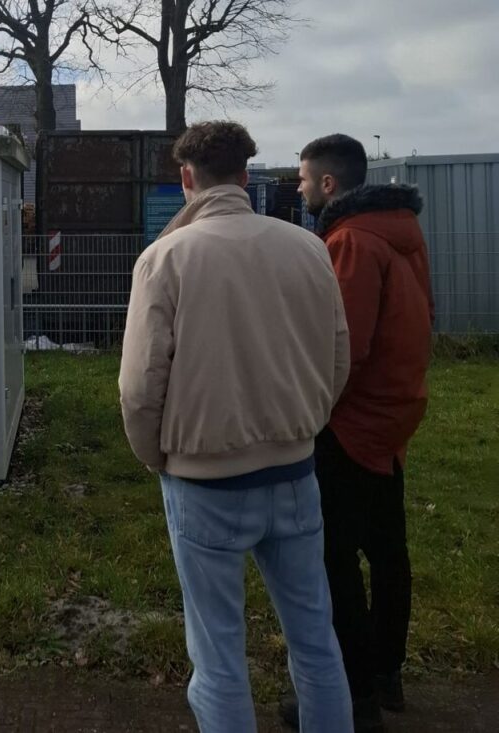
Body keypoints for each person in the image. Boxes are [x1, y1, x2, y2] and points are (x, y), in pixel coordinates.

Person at [119, 121, 353, 733]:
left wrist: (157, 456)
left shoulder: (165, 258)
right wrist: (304, 426)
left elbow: (141, 384)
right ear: (246, 176)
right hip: (296, 472)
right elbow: (337, 359)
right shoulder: (308, 248)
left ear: (186, 179)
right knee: (316, 641)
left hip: (205, 484)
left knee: (219, 656)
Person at [280, 134, 434, 732]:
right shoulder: (402, 230)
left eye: (301, 178)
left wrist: (303, 406)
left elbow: (342, 345)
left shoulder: (349, 241)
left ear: (327, 184)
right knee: (388, 549)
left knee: (333, 559)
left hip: (350, 423)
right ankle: (387, 671)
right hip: (395, 414)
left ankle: (353, 697)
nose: (296, 188)